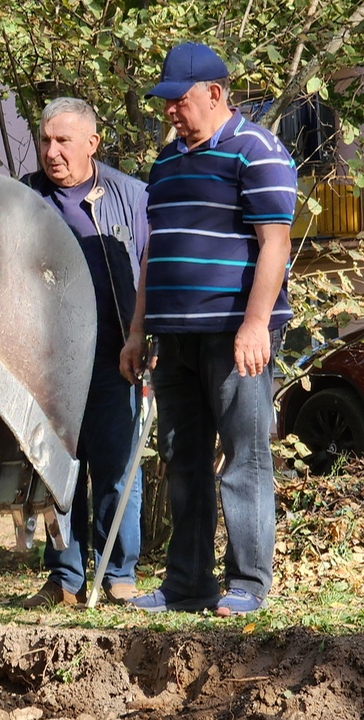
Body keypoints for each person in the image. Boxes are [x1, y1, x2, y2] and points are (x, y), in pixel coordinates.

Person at [120, 42, 297, 616]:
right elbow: (155, 253)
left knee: (244, 457)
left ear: (215, 94)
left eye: (179, 99)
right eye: (166, 101)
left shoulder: (258, 152)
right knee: (183, 457)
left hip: (234, 337)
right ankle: (186, 584)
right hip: (173, 340)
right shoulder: (166, 163)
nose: (170, 110)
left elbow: (276, 244)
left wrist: (254, 325)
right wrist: (137, 331)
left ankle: (247, 584)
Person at [20, 97, 148, 608]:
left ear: (92, 144)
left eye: (64, 141)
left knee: (118, 469)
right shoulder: (23, 196)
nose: (52, 152)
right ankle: (65, 578)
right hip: (48, 364)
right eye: (46, 141)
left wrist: (149, 337)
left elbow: (149, 269)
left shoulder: (130, 196)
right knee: (58, 473)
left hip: (117, 356)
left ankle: (118, 575)